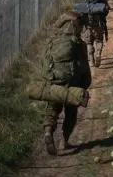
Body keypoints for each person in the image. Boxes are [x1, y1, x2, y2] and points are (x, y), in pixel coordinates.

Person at [42, 11, 91, 155]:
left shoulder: (52, 42)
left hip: (54, 81)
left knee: (52, 109)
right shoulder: (78, 44)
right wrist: (85, 82)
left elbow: (44, 63)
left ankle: (48, 132)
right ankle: (64, 141)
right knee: (71, 112)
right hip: (72, 81)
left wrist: (48, 81)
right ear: (78, 27)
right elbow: (83, 66)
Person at [84, 0, 109, 68]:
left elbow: (82, 11)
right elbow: (106, 10)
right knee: (99, 41)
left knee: (89, 43)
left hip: (88, 25)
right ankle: (98, 53)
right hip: (99, 24)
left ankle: (91, 61)